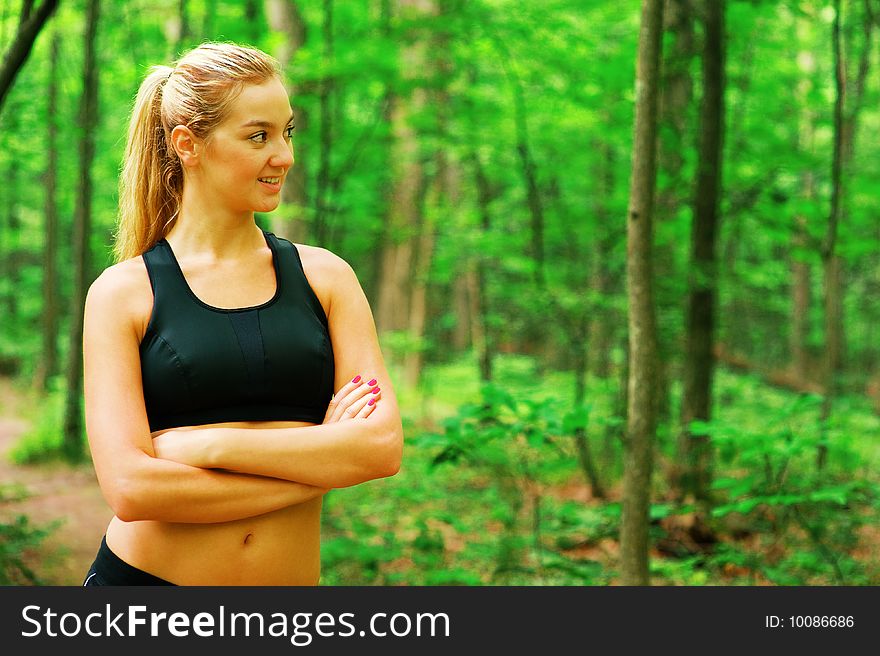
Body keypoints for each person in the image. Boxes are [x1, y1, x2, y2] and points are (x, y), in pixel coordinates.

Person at [81, 42, 403, 586]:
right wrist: (319, 463)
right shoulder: (123, 293)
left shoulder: (326, 279)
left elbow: (380, 447)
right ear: (188, 145)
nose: (285, 155)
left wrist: (210, 444)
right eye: (259, 136)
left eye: (287, 132)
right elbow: (133, 489)